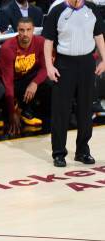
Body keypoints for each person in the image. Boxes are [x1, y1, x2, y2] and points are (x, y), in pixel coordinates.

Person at [43, 0, 105, 167]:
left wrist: (104, 59)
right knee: (61, 110)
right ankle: (58, 153)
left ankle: (82, 151)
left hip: (87, 63)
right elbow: (48, 41)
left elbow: (98, 35)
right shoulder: (57, 11)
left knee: (86, 109)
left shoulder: (91, 9)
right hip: (64, 63)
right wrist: (49, 66)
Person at [0, 17, 48, 135]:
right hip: (1, 79)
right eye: (22, 30)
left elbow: (45, 68)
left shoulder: (41, 42)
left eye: (28, 30)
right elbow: (8, 81)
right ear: (17, 30)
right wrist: (11, 113)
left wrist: (34, 83)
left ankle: (26, 110)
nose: (25, 34)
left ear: (33, 30)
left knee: (47, 81)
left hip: (22, 78)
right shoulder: (8, 47)